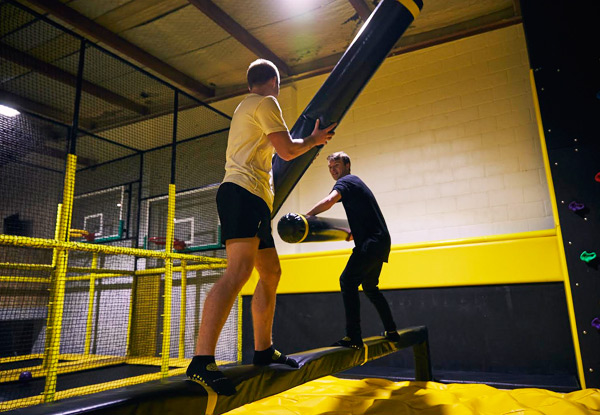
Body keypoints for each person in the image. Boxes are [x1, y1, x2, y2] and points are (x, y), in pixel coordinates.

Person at [186, 59, 336, 395]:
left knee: (270, 272)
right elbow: (286, 150)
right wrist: (314, 140)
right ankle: (201, 362)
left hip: (253, 198)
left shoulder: (246, 106)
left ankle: (263, 350)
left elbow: (274, 150)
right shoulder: (266, 102)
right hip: (242, 193)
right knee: (237, 272)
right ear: (274, 82)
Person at [306, 151, 400, 349]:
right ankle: (392, 331)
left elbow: (329, 201)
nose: (333, 171)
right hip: (380, 241)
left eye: (336, 166)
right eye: (330, 168)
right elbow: (365, 214)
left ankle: (353, 337)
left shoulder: (347, 181)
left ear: (347, 165)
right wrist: (354, 232)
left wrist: (307, 216)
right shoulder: (356, 184)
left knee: (347, 281)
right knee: (370, 288)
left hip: (372, 242)